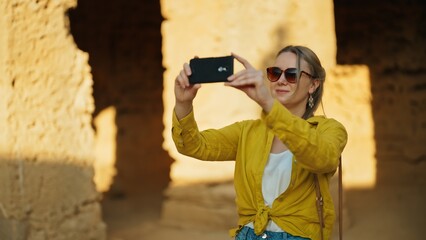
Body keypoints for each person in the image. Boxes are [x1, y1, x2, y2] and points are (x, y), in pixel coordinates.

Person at [171, 45, 348, 240]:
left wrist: (269, 105)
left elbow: (322, 158)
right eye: (275, 73)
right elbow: (193, 145)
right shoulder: (248, 131)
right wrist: (183, 103)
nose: (281, 80)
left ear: (313, 85)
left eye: (291, 75)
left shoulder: (329, 130)